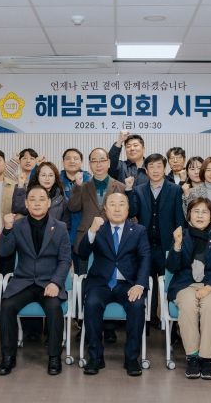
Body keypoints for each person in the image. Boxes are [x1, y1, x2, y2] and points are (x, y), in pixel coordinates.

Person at [0, 185, 72, 376]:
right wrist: (7, 229)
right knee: (7, 305)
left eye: (41, 199)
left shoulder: (60, 227)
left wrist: (56, 283)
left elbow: (65, 260)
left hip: (49, 283)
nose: (37, 203)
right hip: (23, 282)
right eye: (32, 199)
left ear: (48, 203)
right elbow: (4, 252)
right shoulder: (17, 225)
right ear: (26, 203)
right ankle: (8, 357)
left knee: (54, 308)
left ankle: (54, 357)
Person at [77, 193, 151, 377]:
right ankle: (95, 357)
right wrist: (91, 231)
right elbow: (82, 253)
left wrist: (140, 284)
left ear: (128, 209)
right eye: (112, 204)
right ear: (105, 208)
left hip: (128, 284)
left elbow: (145, 258)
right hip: (100, 283)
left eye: (121, 204)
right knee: (91, 303)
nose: (117, 208)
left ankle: (131, 358)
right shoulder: (98, 228)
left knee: (137, 305)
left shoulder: (139, 230)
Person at [166, 198, 211, 380]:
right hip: (185, 284)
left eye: (204, 212)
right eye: (196, 211)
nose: (200, 215)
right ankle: (192, 357)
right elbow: (172, 267)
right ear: (189, 216)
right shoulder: (182, 236)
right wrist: (177, 245)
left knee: (210, 306)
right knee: (188, 304)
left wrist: (208, 288)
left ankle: (207, 358)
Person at [67, 148, 126, 343]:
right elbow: (73, 207)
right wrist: (76, 187)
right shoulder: (83, 186)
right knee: (84, 281)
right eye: (94, 160)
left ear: (109, 162)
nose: (98, 164)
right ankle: (84, 324)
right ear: (90, 164)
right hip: (86, 239)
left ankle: (109, 327)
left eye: (102, 160)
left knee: (109, 281)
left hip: (112, 241)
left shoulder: (119, 186)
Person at [127, 153, 185, 329]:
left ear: (164, 168)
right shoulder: (139, 190)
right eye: (151, 167)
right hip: (145, 245)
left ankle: (170, 324)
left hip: (167, 245)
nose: (155, 170)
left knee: (169, 282)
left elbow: (179, 218)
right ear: (146, 170)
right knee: (146, 282)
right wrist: (129, 190)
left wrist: (178, 242)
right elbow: (132, 212)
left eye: (159, 166)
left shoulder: (175, 189)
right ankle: (149, 319)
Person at [60, 148, 92, 274]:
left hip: (83, 233)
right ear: (63, 162)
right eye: (68, 158)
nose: (72, 161)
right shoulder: (56, 180)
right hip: (62, 233)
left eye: (76, 158)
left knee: (82, 273)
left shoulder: (90, 181)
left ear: (81, 162)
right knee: (62, 272)